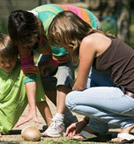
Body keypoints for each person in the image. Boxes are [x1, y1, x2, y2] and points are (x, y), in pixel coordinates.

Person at [8, 3, 101, 137]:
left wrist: (47, 63)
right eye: (23, 44)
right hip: (54, 44)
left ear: (37, 28)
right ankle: (67, 119)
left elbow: (62, 58)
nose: (27, 47)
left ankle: (59, 119)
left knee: (64, 70)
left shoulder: (50, 24)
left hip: (83, 27)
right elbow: (29, 72)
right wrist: (32, 108)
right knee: (43, 76)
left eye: (29, 43)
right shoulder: (21, 35)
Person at [48, 11, 134, 143]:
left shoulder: (88, 42)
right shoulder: (96, 36)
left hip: (130, 98)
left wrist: (63, 110)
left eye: (60, 40)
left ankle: (127, 122)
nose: (60, 46)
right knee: (91, 77)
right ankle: (97, 126)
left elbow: (79, 86)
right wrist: (85, 121)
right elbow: (90, 85)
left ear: (68, 33)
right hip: (127, 94)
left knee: (71, 99)